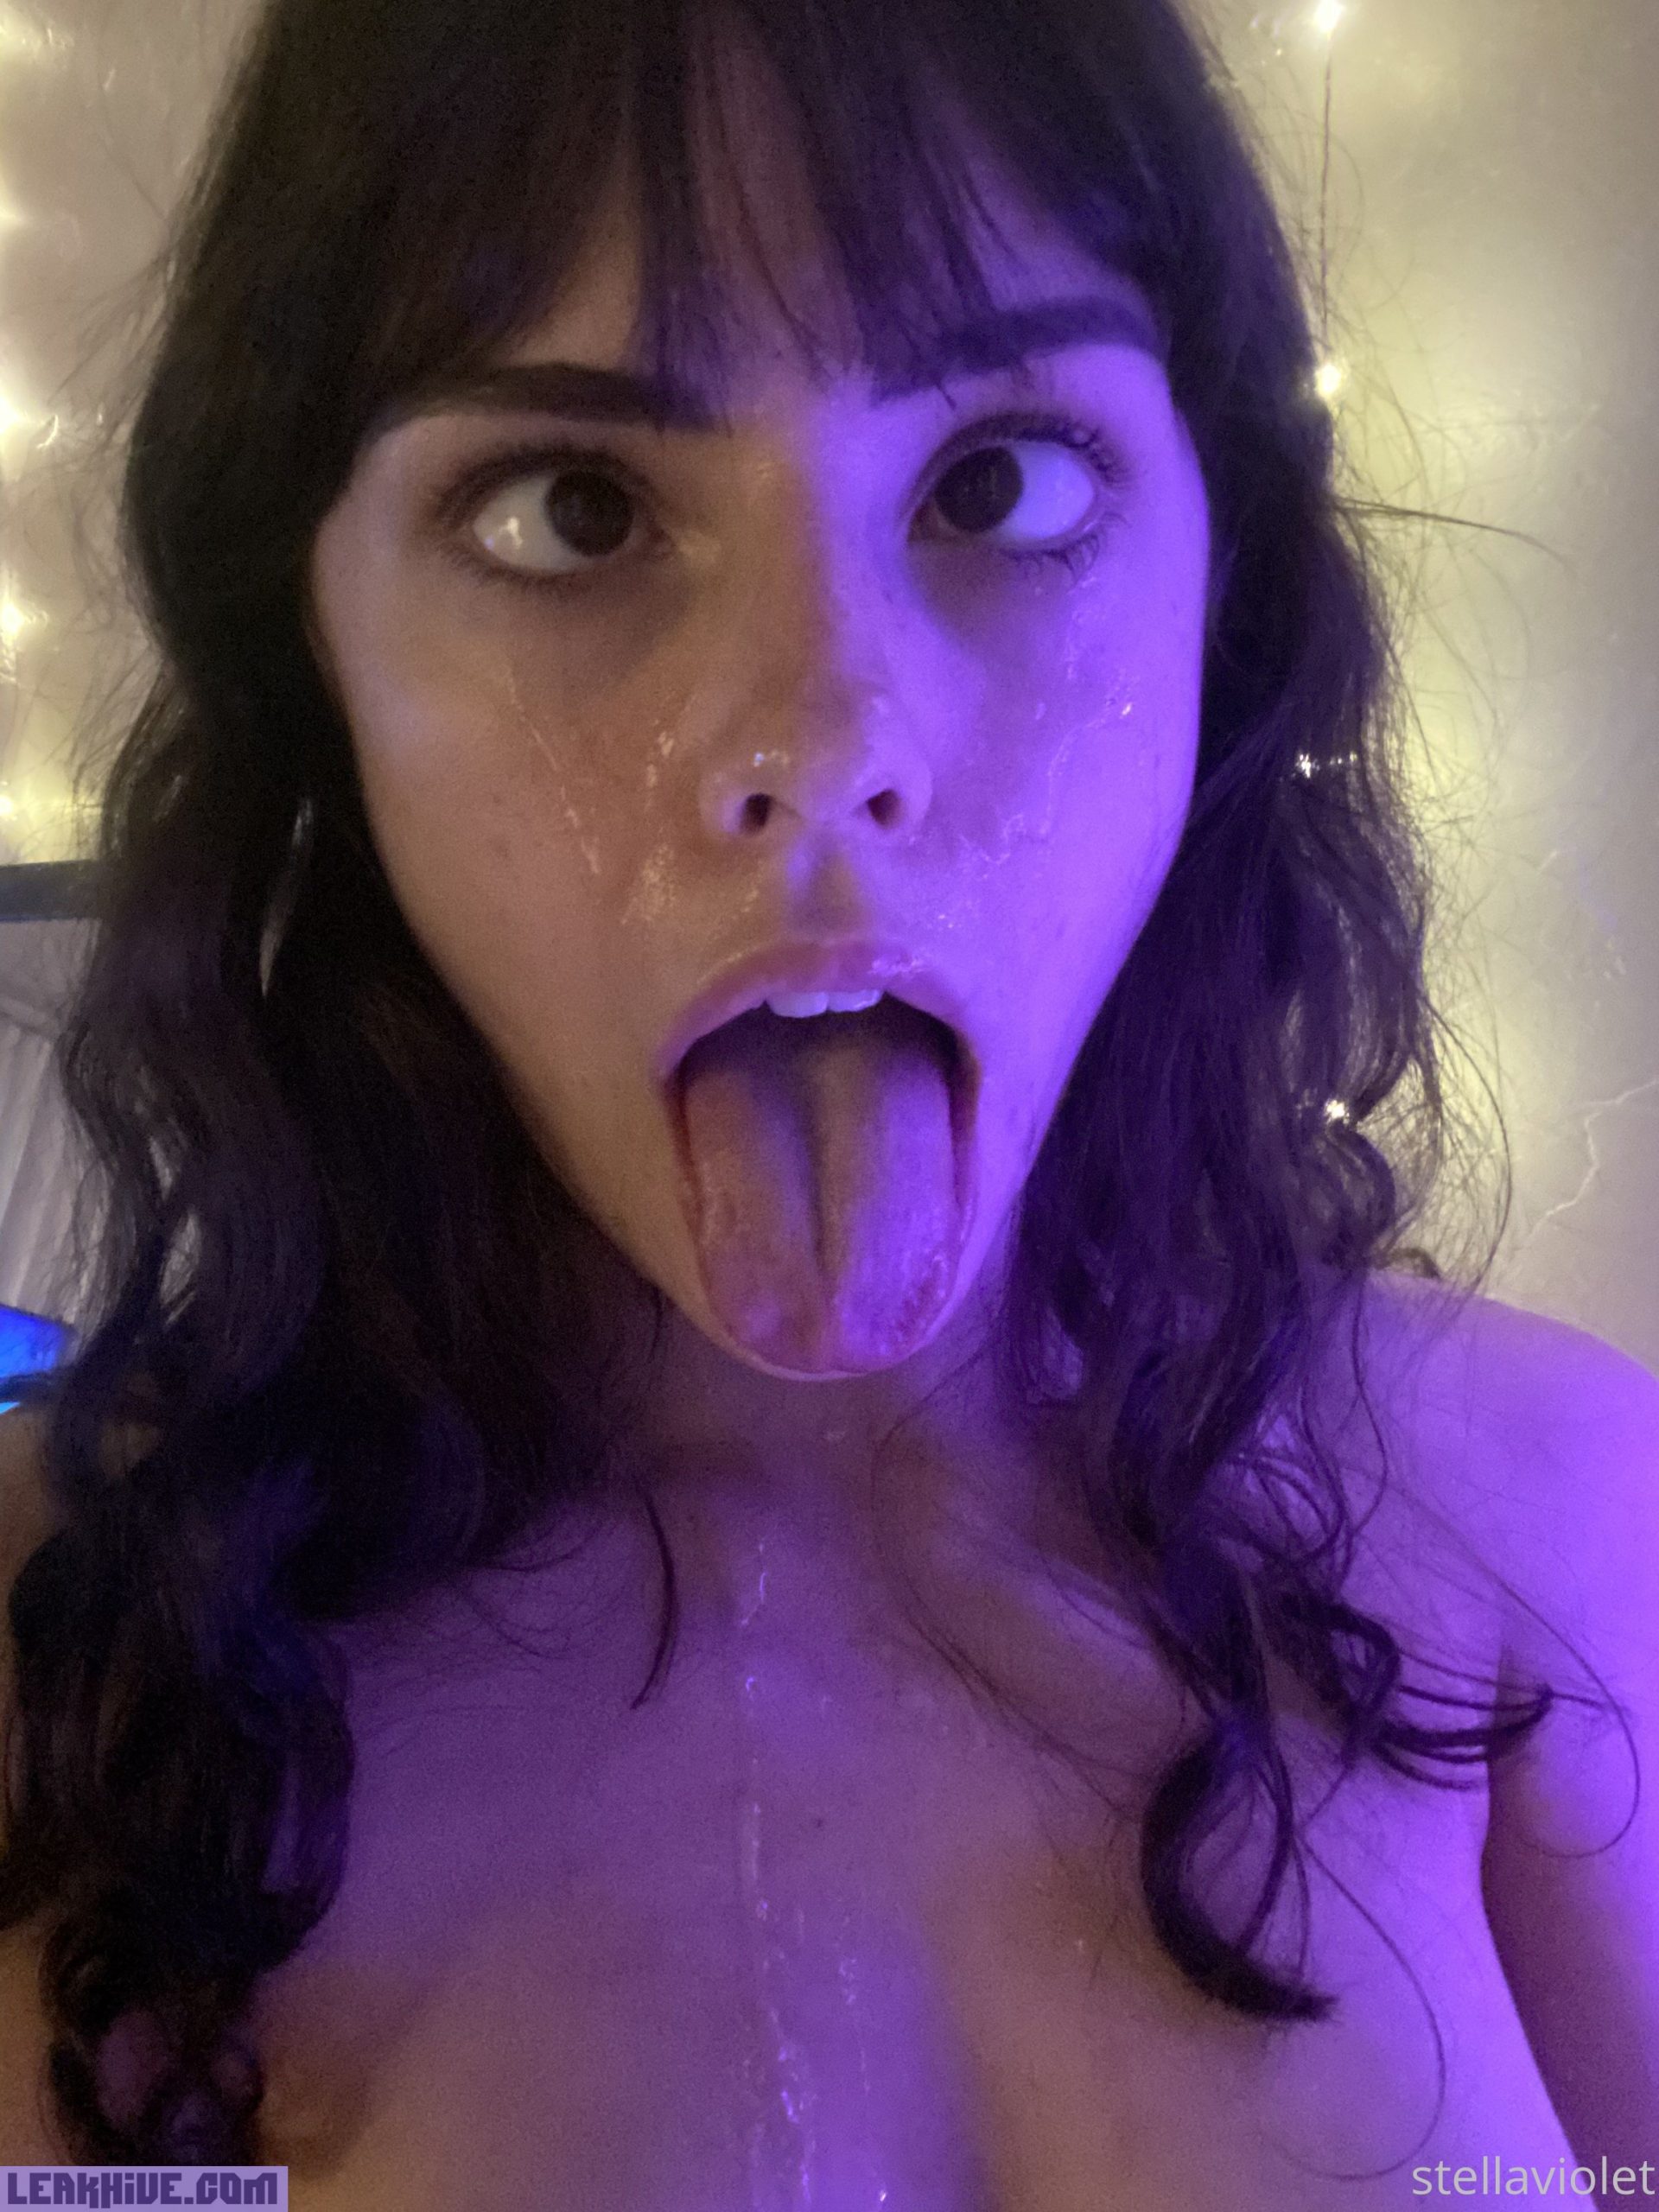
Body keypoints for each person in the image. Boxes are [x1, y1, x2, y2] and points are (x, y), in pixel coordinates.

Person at [1, 0, 1656, 2195]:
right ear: (312, 661)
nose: (825, 731)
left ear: (1223, 596)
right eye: (574, 507)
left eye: (1000, 480)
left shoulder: (1558, 1521)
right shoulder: (60, 1654)